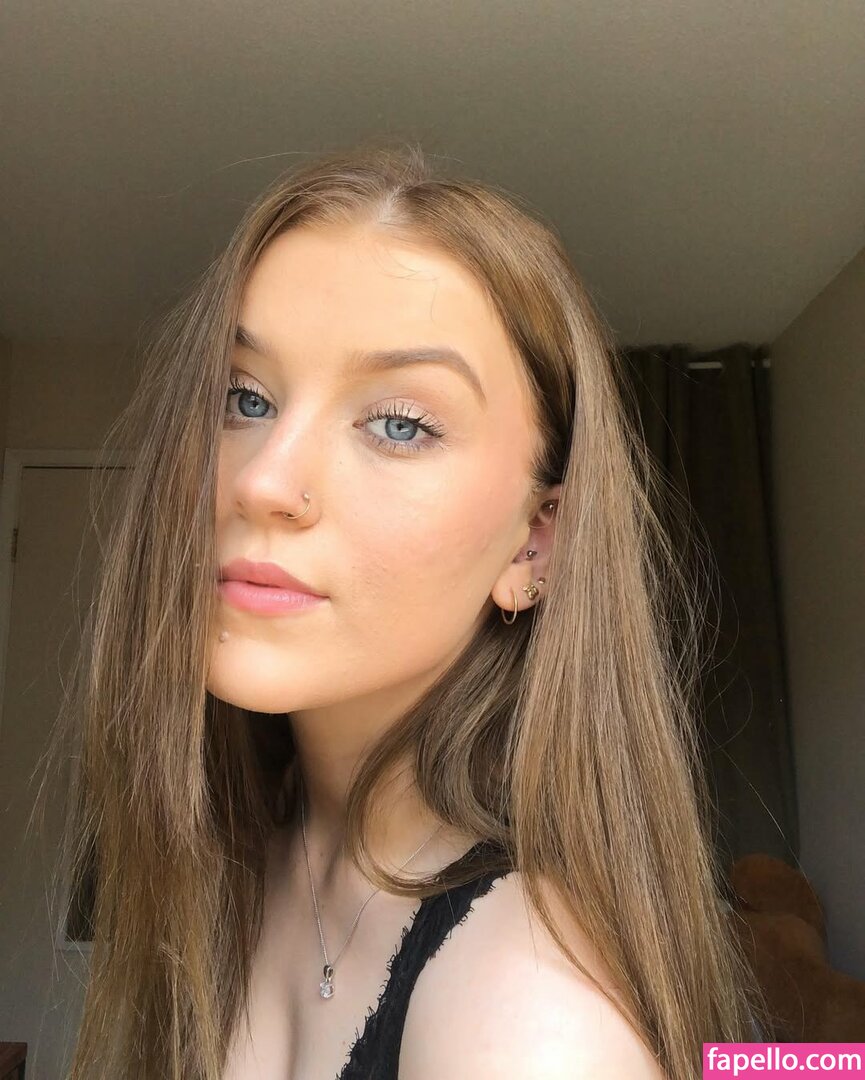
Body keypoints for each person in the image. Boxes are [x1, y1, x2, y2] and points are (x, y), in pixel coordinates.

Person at [59, 142, 760, 1080]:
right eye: (243, 397)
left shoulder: (531, 1021)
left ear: (534, 544)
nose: (262, 481)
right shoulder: (242, 849)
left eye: (399, 424)